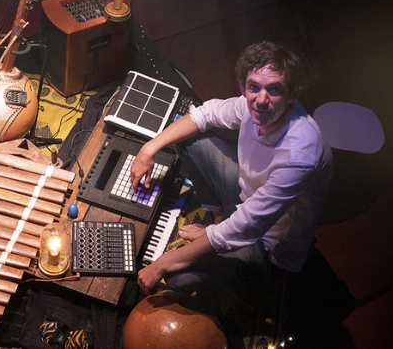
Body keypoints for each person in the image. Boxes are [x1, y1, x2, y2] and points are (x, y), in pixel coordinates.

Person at [130, 41, 333, 305]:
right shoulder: (252, 106)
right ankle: (216, 220)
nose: (261, 100)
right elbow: (205, 115)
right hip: (242, 203)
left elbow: (247, 225)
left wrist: (162, 264)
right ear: (243, 86)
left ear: (291, 94)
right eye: (253, 87)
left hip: (267, 245)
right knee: (187, 136)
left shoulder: (300, 155)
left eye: (274, 90)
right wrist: (148, 149)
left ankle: (248, 282)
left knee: (177, 278)